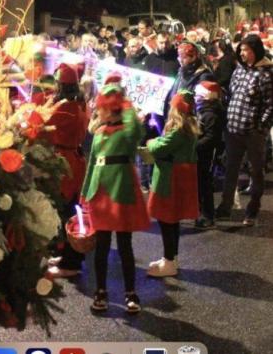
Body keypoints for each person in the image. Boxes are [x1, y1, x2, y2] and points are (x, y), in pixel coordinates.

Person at [81, 84, 150, 314]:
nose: (97, 111)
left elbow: (138, 130)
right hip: (99, 193)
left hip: (121, 192)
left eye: (101, 108)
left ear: (110, 110)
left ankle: (130, 292)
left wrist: (124, 103)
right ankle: (100, 291)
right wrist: (84, 192)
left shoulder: (126, 133)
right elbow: (91, 163)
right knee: (100, 246)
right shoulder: (99, 133)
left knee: (124, 245)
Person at [216, 34, 273, 226]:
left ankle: (252, 210)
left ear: (256, 51)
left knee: (256, 171)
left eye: (246, 50)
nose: (242, 53)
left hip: (253, 133)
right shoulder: (239, 70)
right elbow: (232, 92)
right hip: (233, 129)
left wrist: (260, 128)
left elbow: (270, 105)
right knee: (231, 168)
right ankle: (225, 207)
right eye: (241, 50)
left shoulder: (266, 73)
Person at [145, 91, 199, 277]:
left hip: (170, 179)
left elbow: (159, 147)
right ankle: (171, 258)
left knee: (166, 219)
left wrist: (152, 141)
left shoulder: (179, 130)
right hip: (178, 177)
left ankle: (169, 262)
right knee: (172, 220)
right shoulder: (188, 127)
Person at [46, 64, 88, 278]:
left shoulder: (65, 107)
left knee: (67, 210)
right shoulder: (79, 102)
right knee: (70, 208)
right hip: (74, 159)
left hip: (65, 162)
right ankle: (66, 254)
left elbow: (44, 126)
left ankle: (71, 261)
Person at [193, 81, 225, 229]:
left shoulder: (211, 114)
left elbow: (211, 137)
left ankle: (208, 215)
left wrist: (195, 145)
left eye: (198, 95)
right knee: (200, 183)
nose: (195, 97)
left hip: (207, 154)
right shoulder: (203, 110)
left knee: (205, 184)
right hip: (201, 152)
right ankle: (201, 212)